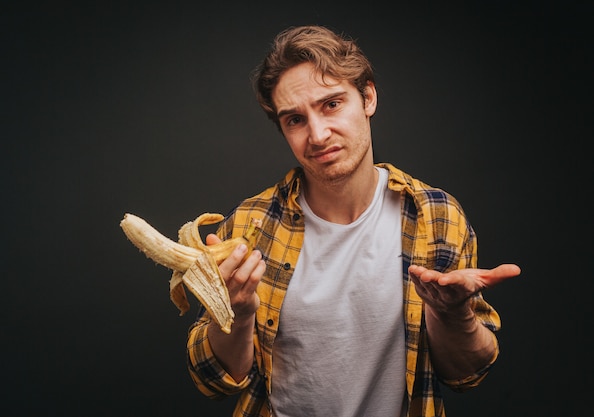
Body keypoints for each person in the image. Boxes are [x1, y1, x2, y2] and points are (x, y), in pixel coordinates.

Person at [186, 25, 521, 417]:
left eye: (331, 104)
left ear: (368, 97)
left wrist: (453, 315)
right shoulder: (248, 226)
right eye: (295, 120)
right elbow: (210, 378)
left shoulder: (437, 216)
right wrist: (238, 315)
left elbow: (468, 372)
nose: (318, 133)